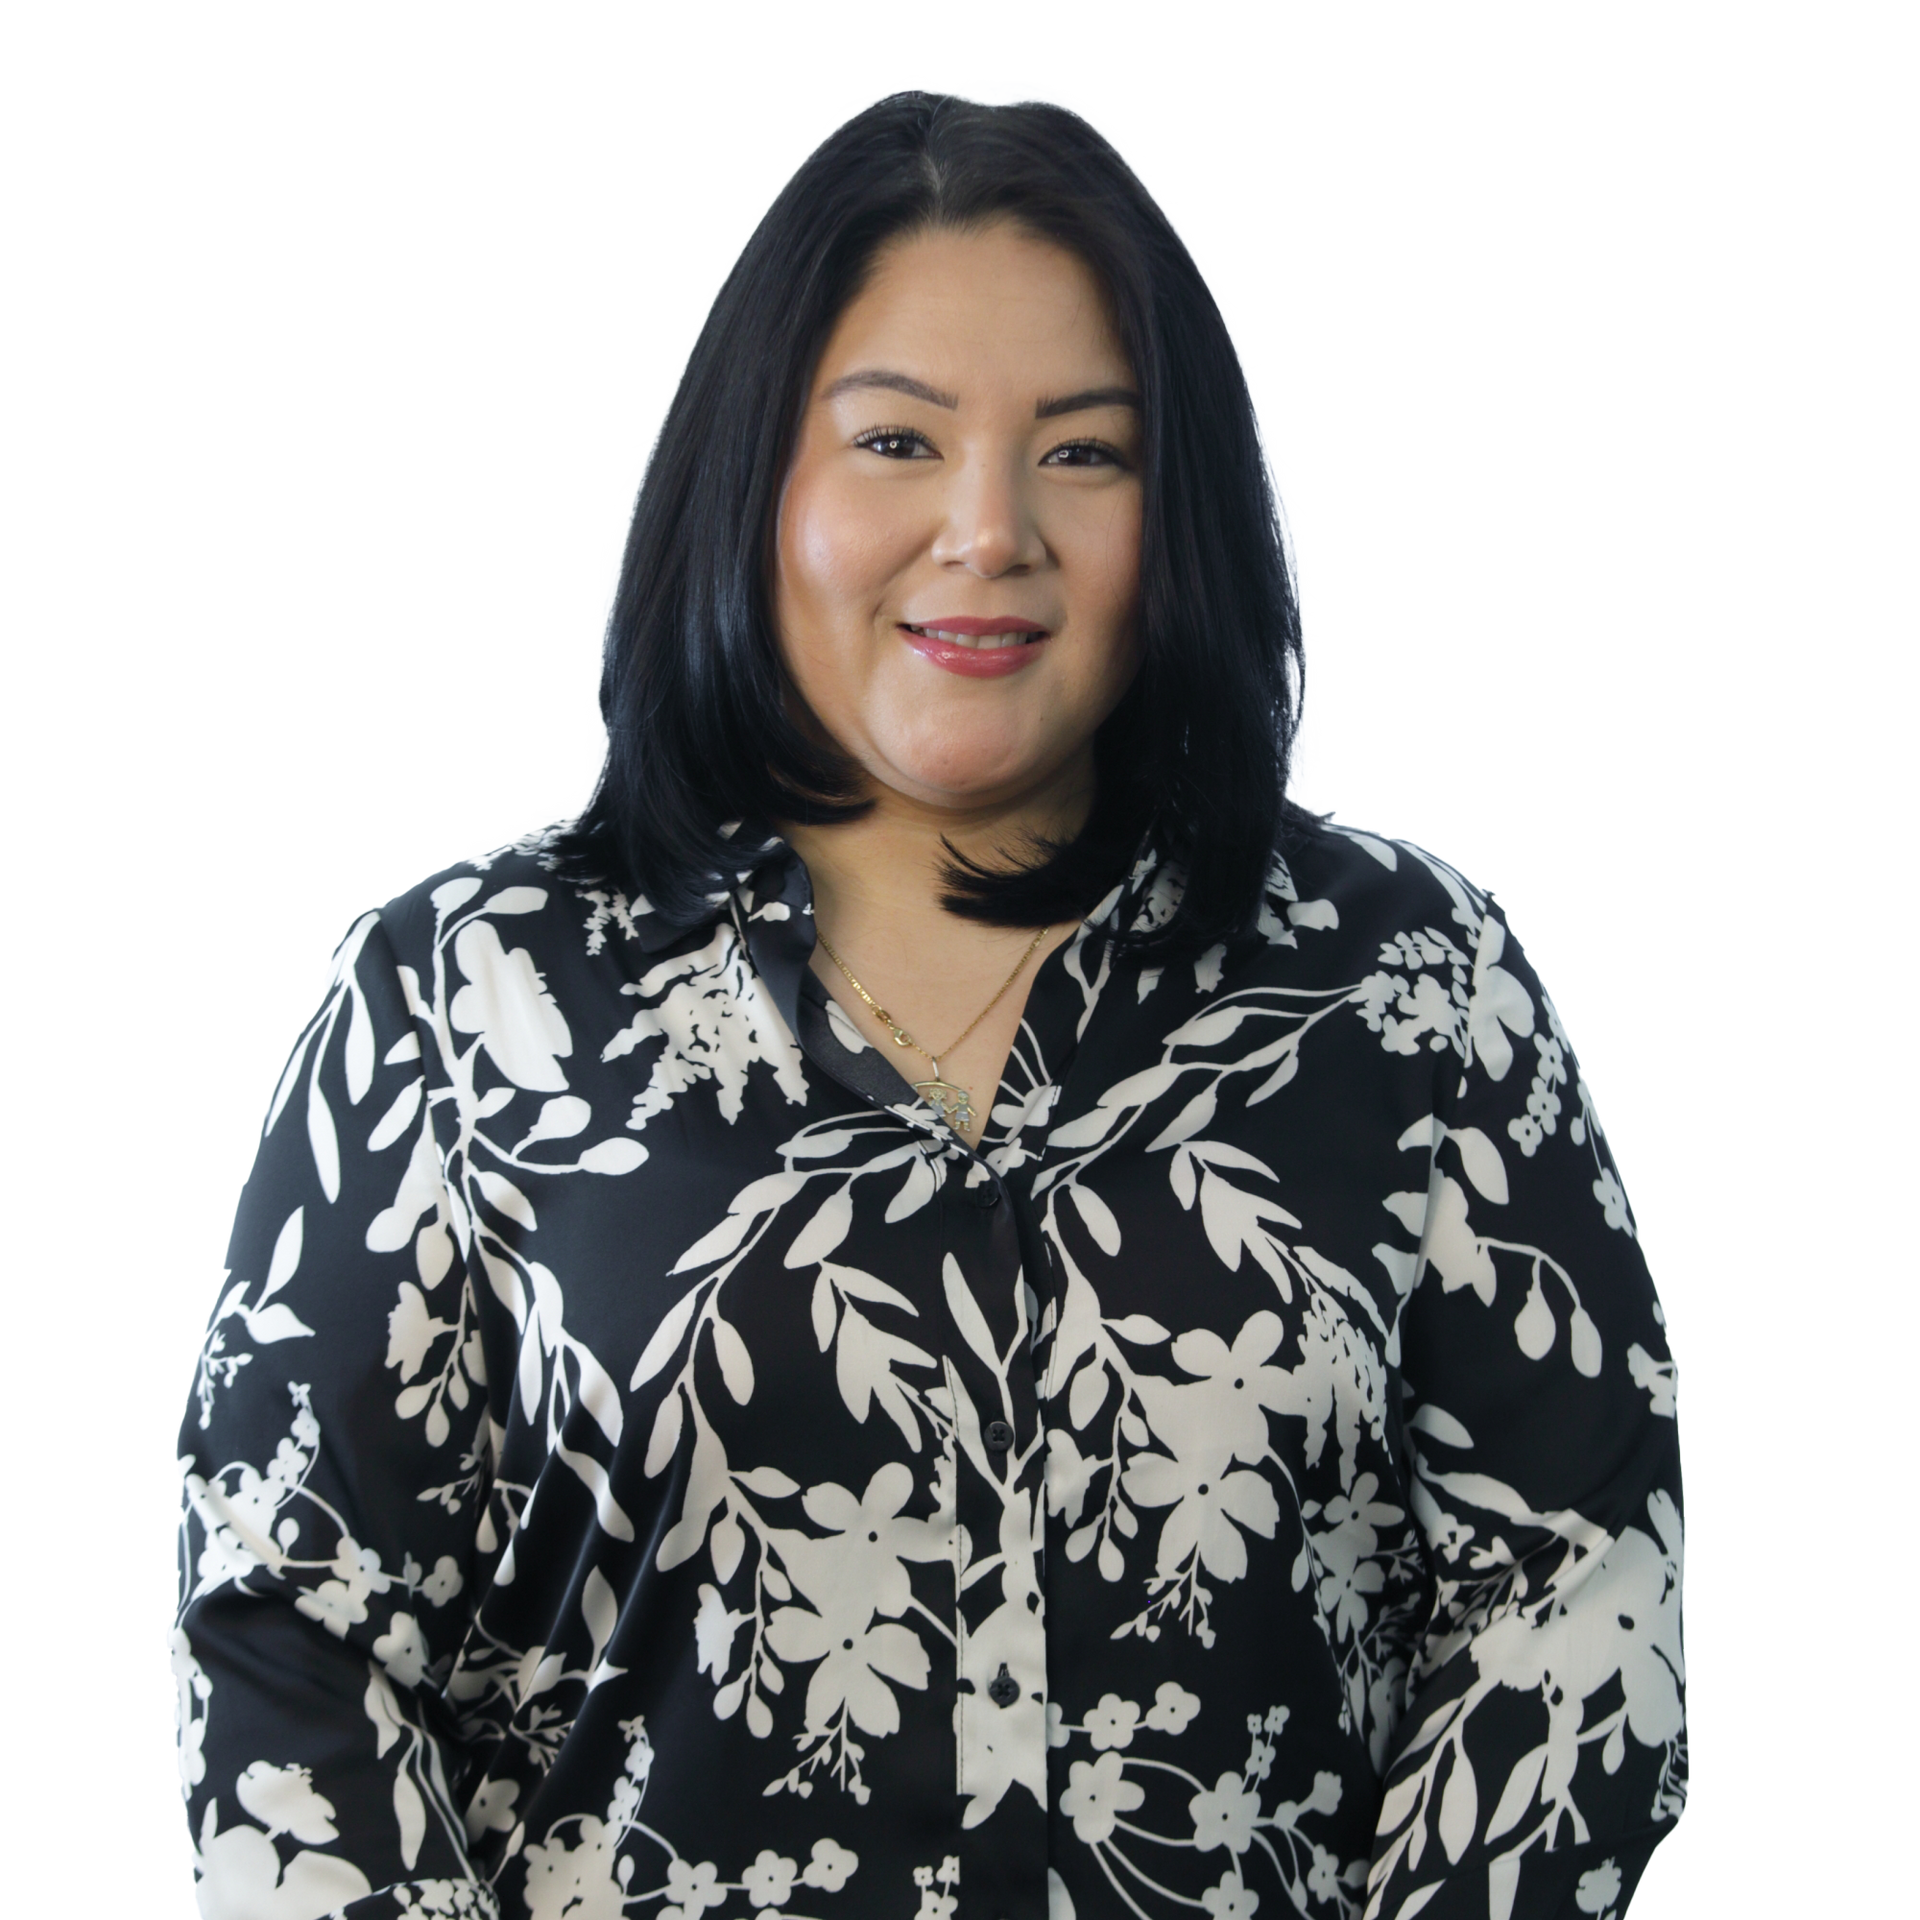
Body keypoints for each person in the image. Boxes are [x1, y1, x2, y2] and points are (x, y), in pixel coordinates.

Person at [168, 77, 1689, 1920]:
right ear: (759, 478)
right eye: (897, 442)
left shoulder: (1408, 987)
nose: (988, 532)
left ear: (1176, 512)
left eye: (1085, 451)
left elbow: (1581, 1596)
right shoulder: (464, 992)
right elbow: (287, 1629)